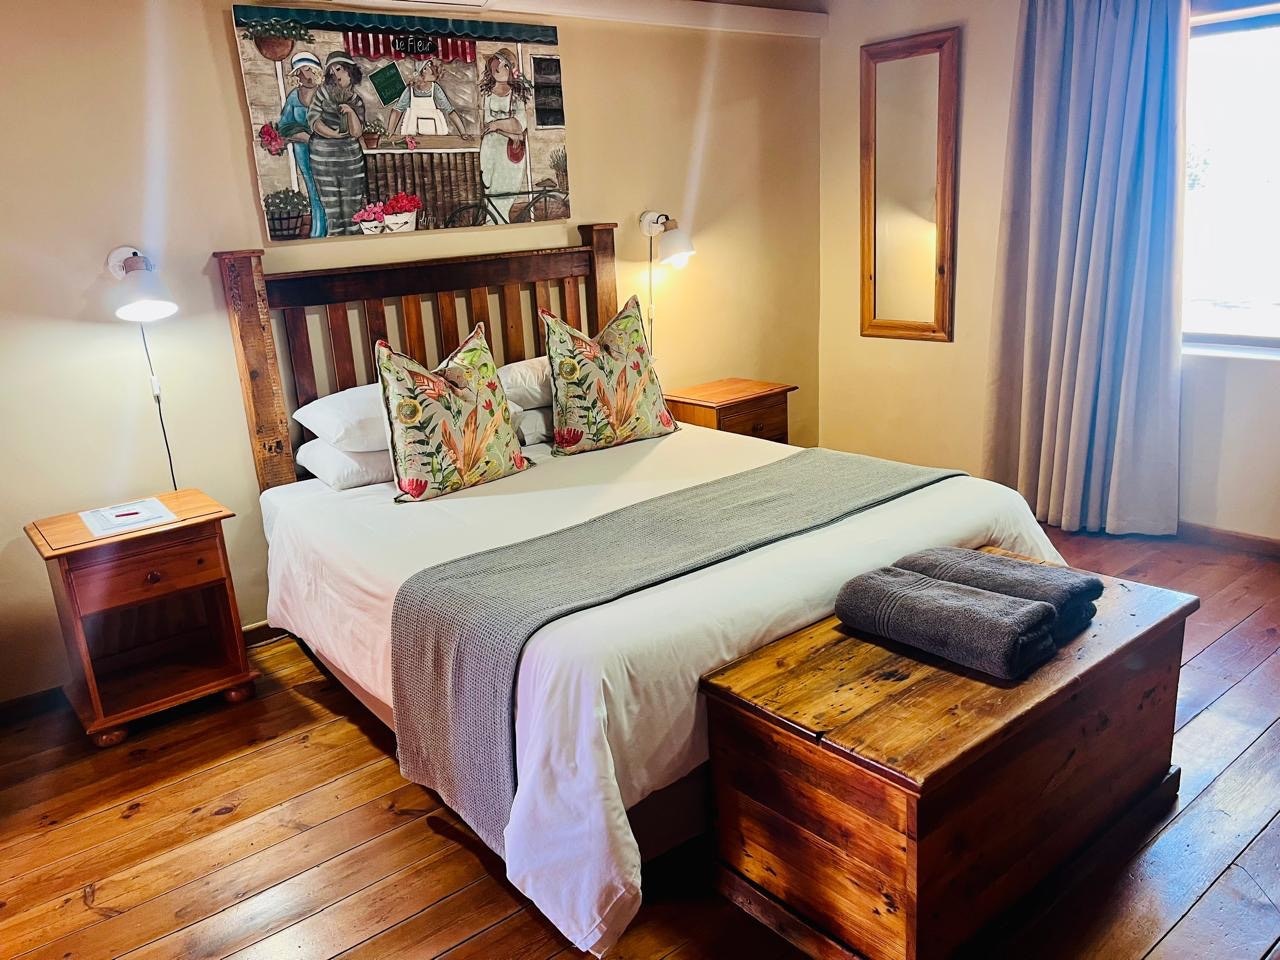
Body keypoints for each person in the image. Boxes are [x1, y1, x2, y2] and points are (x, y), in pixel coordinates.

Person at [306, 51, 369, 235]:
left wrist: (350, 112)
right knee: (332, 208)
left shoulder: (355, 100)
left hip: (350, 159)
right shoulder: (322, 93)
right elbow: (314, 120)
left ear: (350, 71)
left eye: (339, 69)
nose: (335, 75)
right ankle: (335, 240)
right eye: (332, 72)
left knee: (352, 206)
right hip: (324, 158)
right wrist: (333, 134)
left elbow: (356, 132)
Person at [479, 48, 530, 222]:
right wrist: (500, 128)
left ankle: (500, 224)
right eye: (496, 63)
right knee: (489, 188)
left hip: (509, 151)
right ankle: (491, 223)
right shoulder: (487, 94)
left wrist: (497, 126)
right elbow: (487, 123)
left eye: (504, 65)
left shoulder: (516, 94)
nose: (499, 68)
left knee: (506, 190)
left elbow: (519, 124)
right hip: (490, 148)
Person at [279, 51, 326, 237]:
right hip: (303, 150)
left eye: (309, 69)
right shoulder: (293, 97)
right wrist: (302, 135)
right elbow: (284, 125)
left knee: (327, 188)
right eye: (301, 71)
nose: (306, 75)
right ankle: (318, 231)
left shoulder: (326, 95)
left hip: (326, 150)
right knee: (313, 189)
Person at [388, 58, 469, 139]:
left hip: (434, 133)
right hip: (413, 133)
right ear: (420, 71)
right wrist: (390, 132)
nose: (432, 70)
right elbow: (397, 110)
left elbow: (450, 111)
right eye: (427, 67)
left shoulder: (435, 89)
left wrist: (463, 133)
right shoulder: (410, 90)